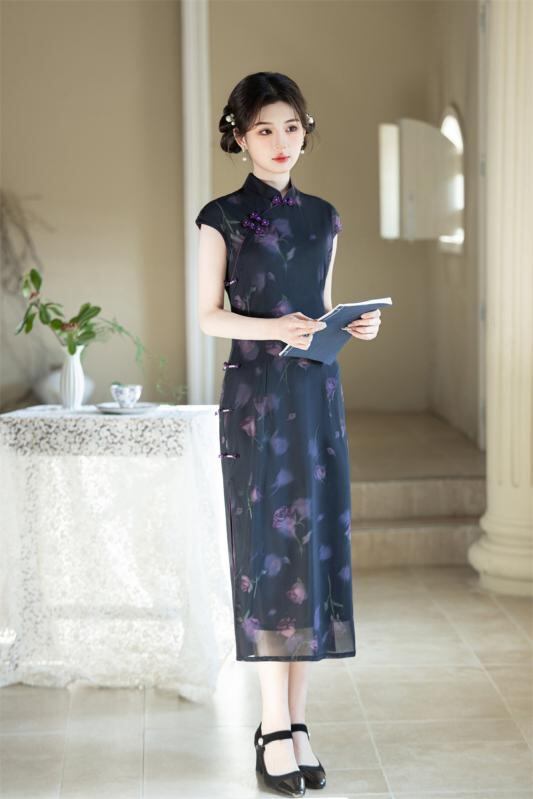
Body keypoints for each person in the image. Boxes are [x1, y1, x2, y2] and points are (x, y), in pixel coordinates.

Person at [195, 72, 382, 797]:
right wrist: (274, 327)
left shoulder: (325, 217)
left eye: (292, 128)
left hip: (315, 393)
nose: (280, 142)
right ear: (240, 138)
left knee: (310, 553)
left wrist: (355, 325)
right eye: (264, 130)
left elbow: (320, 306)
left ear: (306, 131)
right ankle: (273, 724)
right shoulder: (221, 216)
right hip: (256, 400)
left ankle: (295, 722)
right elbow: (208, 315)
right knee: (269, 559)